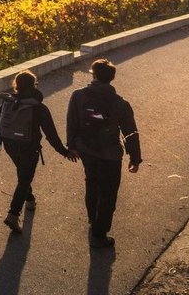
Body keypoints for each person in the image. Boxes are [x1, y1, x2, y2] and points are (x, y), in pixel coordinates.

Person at [67, 57, 141, 249]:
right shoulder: (120, 103)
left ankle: (93, 222)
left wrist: (72, 145)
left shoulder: (78, 96)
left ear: (94, 75)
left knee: (91, 184)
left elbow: (71, 121)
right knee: (108, 193)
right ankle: (100, 234)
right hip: (110, 154)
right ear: (111, 78)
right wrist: (135, 158)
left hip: (87, 151)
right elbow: (130, 131)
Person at [0, 70, 77, 234]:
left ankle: (29, 199)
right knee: (24, 178)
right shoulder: (38, 107)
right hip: (29, 148)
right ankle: (13, 214)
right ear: (34, 85)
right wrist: (64, 152)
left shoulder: (7, 102)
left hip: (10, 145)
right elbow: (51, 134)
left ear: (16, 86)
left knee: (23, 173)